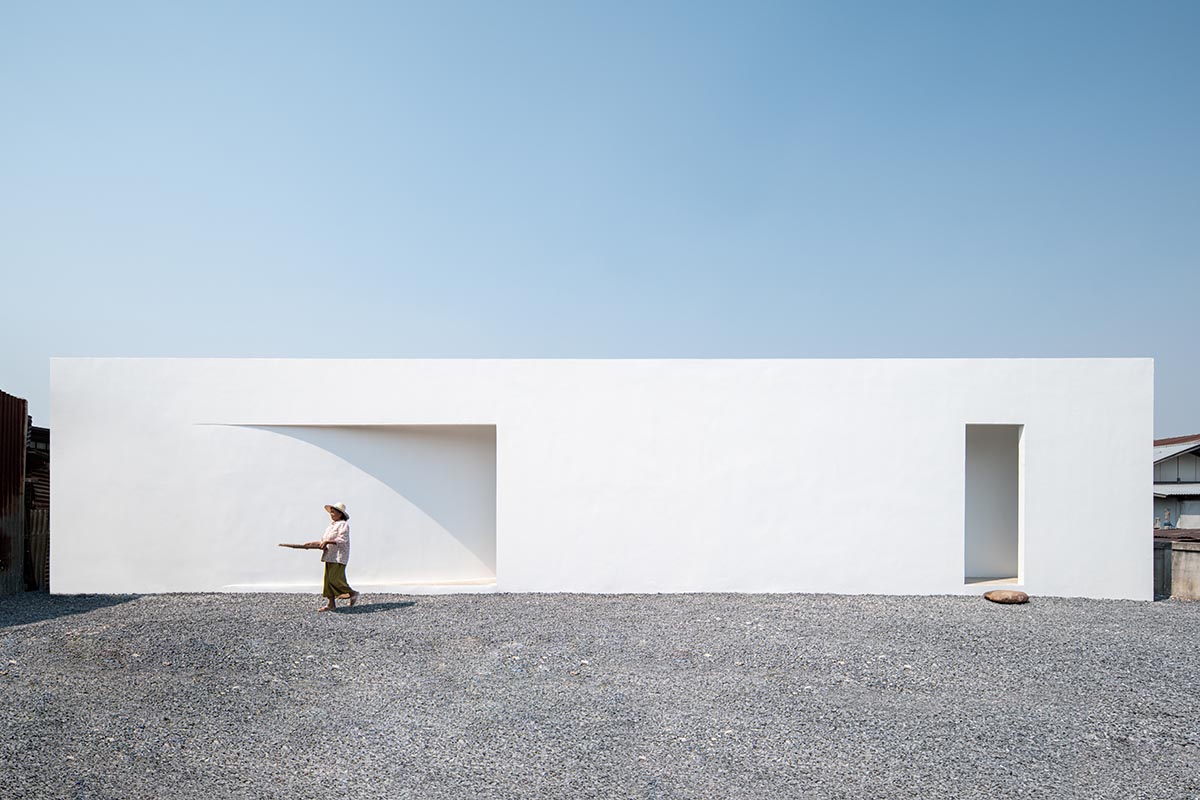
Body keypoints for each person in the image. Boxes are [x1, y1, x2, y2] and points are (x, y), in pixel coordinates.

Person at [300, 502, 360, 612]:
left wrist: (328, 541)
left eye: (334, 512)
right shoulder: (331, 526)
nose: (331, 514)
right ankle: (331, 604)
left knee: (335, 579)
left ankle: (352, 593)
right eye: (331, 512)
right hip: (330, 556)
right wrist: (313, 544)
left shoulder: (343, 525)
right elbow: (324, 540)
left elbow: (342, 540)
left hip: (339, 556)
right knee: (328, 580)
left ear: (340, 514)